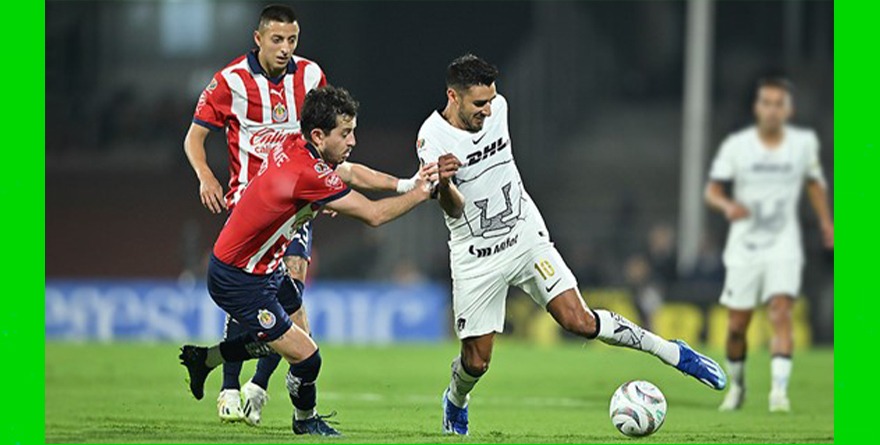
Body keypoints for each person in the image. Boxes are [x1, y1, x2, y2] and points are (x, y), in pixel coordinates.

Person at [415, 54, 727, 436]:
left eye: (492, 99)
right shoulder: (432, 138)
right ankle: (456, 400)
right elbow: (452, 207)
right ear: (453, 96)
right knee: (477, 362)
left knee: (579, 321)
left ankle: (674, 353)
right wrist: (445, 183)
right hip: (476, 255)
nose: (488, 109)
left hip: (525, 236)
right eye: (479, 103)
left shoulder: (500, 109)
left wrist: (489, 111)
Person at [182, 5, 421, 425]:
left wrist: (398, 184)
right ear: (258, 38)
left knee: (294, 315)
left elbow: (337, 157)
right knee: (264, 311)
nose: (285, 48)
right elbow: (195, 138)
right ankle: (231, 387)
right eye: (277, 39)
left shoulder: (311, 78)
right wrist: (206, 176)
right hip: (255, 198)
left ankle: (255, 383)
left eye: (292, 40)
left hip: (297, 200)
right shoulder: (231, 81)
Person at [705, 77, 833, 413]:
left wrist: (826, 223)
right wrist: (728, 206)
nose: (773, 109)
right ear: (757, 107)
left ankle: (779, 392)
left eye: (779, 103)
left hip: (783, 244)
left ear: (788, 109)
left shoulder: (803, 144)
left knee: (781, 312)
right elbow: (713, 190)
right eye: (767, 102)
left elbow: (815, 185)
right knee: (737, 326)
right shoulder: (738, 146)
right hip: (744, 246)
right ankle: (738, 386)